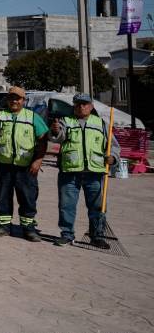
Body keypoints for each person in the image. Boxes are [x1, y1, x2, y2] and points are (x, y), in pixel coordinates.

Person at [0, 86, 48, 241]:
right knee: (2, 195)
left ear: (23, 100)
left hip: (26, 166)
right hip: (4, 164)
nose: (14, 101)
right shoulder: (0, 115)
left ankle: (28, 228)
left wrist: (38, 160)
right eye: (11, 98)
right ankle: (3, 226)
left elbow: (43, 139)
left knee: (27, 197)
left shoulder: (32, 117)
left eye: (18, 98)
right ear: (7, 99)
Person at [49, 94, 113, 249]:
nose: (81, 107)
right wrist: (55, 131)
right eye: (78, 104)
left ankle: (97, 236)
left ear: (91, 106)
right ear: (74, 106)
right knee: (67, 205)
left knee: (97, 206)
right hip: (70, 171)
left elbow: (113, 145)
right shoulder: (66, 121)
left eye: (85, 104)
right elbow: (57, 137)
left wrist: (113, 158)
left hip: (94, 172)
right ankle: (67, 235)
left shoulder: (101, 123)